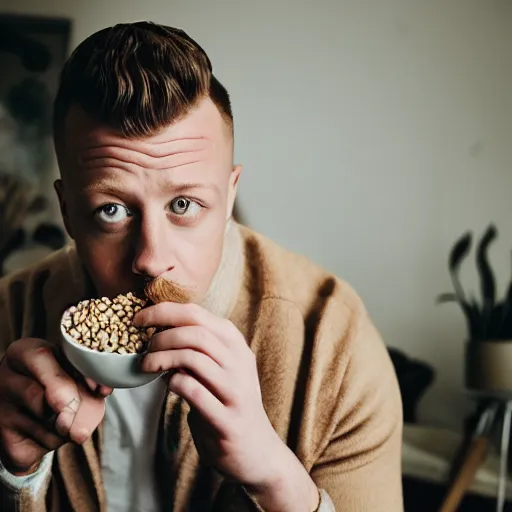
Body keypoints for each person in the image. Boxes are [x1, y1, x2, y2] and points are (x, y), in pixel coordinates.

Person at [0, 22, 403, 512]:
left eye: (185, 205)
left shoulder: (335, 346)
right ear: (67, 212)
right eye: (112, 210)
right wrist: (13, 477)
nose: (151, 258)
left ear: (230, 195)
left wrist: (276, 480)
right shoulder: (7, 317)